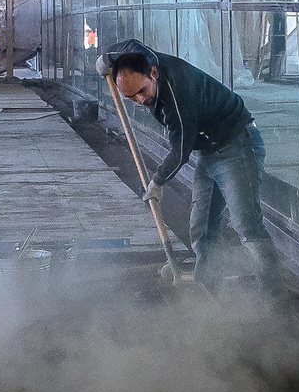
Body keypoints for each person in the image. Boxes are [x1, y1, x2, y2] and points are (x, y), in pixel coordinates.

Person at [100, 38, 284, 292]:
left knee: (247, 225)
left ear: (153, 73)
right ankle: (207, 288)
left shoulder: (178, 95)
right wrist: (105, 60)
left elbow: (181, 151)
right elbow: (130, 44)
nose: (139, 101)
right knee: (203, 227)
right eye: (129, 97)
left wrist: (157, 182)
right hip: (210, 149)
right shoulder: (143, 59)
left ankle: (274, 301)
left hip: (238, 145)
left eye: (141, 91)